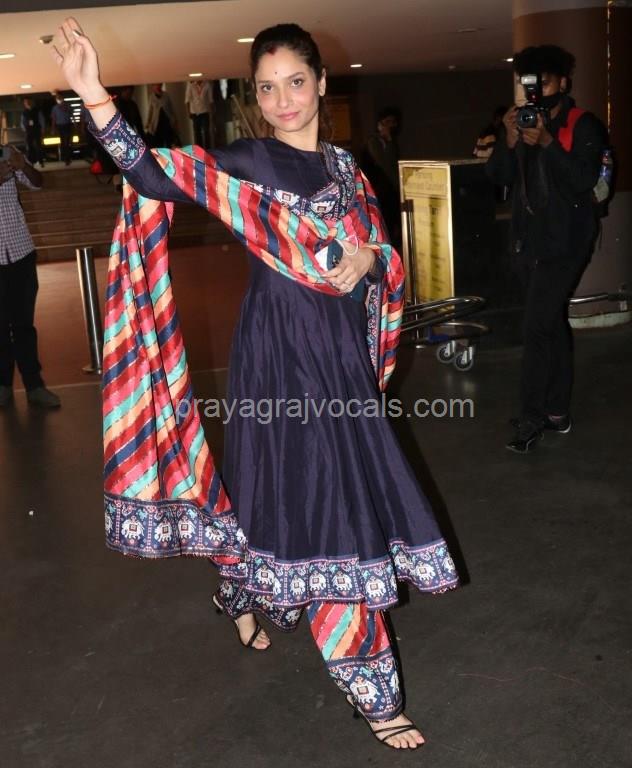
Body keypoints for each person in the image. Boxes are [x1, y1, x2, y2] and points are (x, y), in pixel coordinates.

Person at [53, 17, 459, 748]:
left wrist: (370, 260)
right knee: (319, 495)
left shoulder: (347, 168)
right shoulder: (249, 161)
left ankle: (240, 591)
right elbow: (151, 174)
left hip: (340, 360)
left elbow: (380, 250)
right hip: (279, 357)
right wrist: (94, 95)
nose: (283, 100)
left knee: (277, 492)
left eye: (295, 82)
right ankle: (375, 696)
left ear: (322, 83)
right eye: (267, 88)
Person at [486, 46, 607, 453]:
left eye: (545, 82)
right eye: (529, 83)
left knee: (536, 326)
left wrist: (550, 143)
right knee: (550, 322)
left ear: (563, 83)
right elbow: (499, 176)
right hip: (530, 241)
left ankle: (532, 417)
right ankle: (557, 411)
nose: (536, 90)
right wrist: (509, 139)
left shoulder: (583, 124)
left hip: (568, 241)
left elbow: (583, 180)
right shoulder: (521, 122)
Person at [0, 144, 61, 409]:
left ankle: (34, 386)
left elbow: (38, 183)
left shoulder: (8, 154)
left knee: (24, 324)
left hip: (21, 252)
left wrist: (22, 165)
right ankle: (3, 386)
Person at [362, 108, 401, 249]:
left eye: (393, 122)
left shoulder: (390, 141)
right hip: (380, 189)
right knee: (386, 222)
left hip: (390, 188)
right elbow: (384, 164)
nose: (390, 126)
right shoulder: (374, 141)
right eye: (387, 122)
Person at [145, 83, 178, 148]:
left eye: (159, 85)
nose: (158, 86)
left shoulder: (166, 95)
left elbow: (171, 109)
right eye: (156, 85)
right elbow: (150, 111)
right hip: (156, 124)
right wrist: (148, 123)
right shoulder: (152, 97)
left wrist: (175, 121)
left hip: (167, 123)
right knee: (158, 143)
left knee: (169, 142)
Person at [185, 79, 214, 149]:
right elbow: (187, 100)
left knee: (206, 131)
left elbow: (210, 100)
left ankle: (208, 149)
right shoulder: (190, 84)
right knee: (197, 132)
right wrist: (188, 112)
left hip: (204, 111)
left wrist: (211, 112)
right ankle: (199, 150)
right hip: (195, 112)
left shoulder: (207, 84)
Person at [20, 98, 46, 167]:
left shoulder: (37, 110)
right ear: (24, 104)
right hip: (29, 130)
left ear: (31, 102)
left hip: (36, 129)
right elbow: (22, 122)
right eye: (26, 102)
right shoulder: (24, 112)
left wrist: (43, 128)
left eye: (28, 101)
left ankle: (41, 161)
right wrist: (24, 129)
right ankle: (31, 161)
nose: (27, 103)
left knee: (38, 145)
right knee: (29, 146)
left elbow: (41, 119)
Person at [51, 92, 73, 164]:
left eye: (60, 97)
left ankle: (68, 157)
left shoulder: (68, 106)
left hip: (67, 125)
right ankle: (64, 157)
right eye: (57, 98)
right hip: (60, 126)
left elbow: (71, 115)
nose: (58, 99)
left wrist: (75, 124)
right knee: (63, 142)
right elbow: (54, 119)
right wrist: (53, 128)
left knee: (68, 141)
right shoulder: (55, 108)